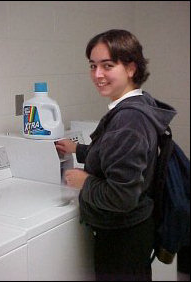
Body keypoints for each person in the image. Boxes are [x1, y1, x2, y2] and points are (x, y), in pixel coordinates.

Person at [56, 29, 177, 281]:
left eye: (107, 65)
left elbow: (121, 197)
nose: (97, 75)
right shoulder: (140, 104)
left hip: (124, 235)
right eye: (92, 66)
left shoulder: (128, 119)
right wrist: (76, 149)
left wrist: (84, 181)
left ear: (131, 69)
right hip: (137, 228)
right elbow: (115, 156)